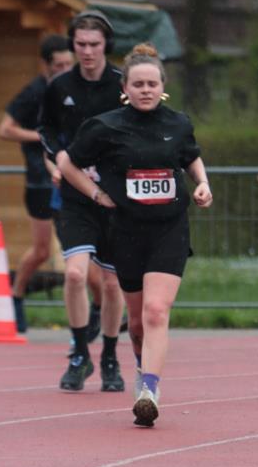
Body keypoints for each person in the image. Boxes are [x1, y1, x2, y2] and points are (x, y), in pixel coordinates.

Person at [59, 43, 212, 426]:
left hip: (169, 229)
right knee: (139, 322)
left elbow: (190, 155)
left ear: (162, 87)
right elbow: (68, 163)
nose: (145, 90)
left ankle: (149, 388)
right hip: (124, 231)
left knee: (157, 311)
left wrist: (202, 184)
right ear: (125, 89)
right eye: (138, 84)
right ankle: (144, 368)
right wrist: (96, 194)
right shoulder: (105, 126)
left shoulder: (177, 123)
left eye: (152, 84)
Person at [38, 10, 126, 392]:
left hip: (114, 196)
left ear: (106, 44)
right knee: (74, 273)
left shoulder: (122, 84)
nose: (87, 51)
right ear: (72, 45)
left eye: (94, 44)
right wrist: (55, 158)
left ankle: (109, 355)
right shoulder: (59, 86)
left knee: (110, 284)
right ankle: (78, 353)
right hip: (75, 193)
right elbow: (46, 130)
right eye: (80, 45)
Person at [0, 34, 102, 336]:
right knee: (42, 251)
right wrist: (43, 137)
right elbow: (5, 129)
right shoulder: (35, 91)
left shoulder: (76, 88)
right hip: (41, 181)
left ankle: (99, 311)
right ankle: (15, 298)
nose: (64, 69)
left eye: (68, 64)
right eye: (58, 64)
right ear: (45, 65)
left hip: (73, 181)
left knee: (91, 257)